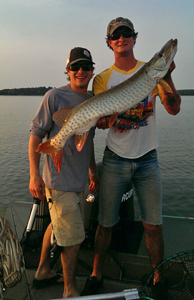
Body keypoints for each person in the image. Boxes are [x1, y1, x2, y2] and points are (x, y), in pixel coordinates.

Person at [81, 17, 181, 296]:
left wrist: (166, 74)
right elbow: (105, 118)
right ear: (110, 42)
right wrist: (103, 121)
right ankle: (96, 273)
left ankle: (158, 278)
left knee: (153, 225)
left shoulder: (150, 73)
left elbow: (173, 108)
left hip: (148, 159)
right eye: (116, 35)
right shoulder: (102, 78)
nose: (121, 38)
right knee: (105, 223)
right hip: (115, 159)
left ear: (134, 38)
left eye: (126, 33)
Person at [29, 47, 98, 298]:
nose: (81, 71)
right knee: (73, 238)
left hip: (79, 180)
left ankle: (42, 271)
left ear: (92, 71)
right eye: (75, 67)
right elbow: (36, 135)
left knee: (58, 227)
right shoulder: (54, 96)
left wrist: (92, 170)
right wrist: (34, 175)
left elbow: (87, 140)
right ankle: (70, 291)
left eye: (86, 67)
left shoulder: (92, 99)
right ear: (68, 70)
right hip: (59, 182)